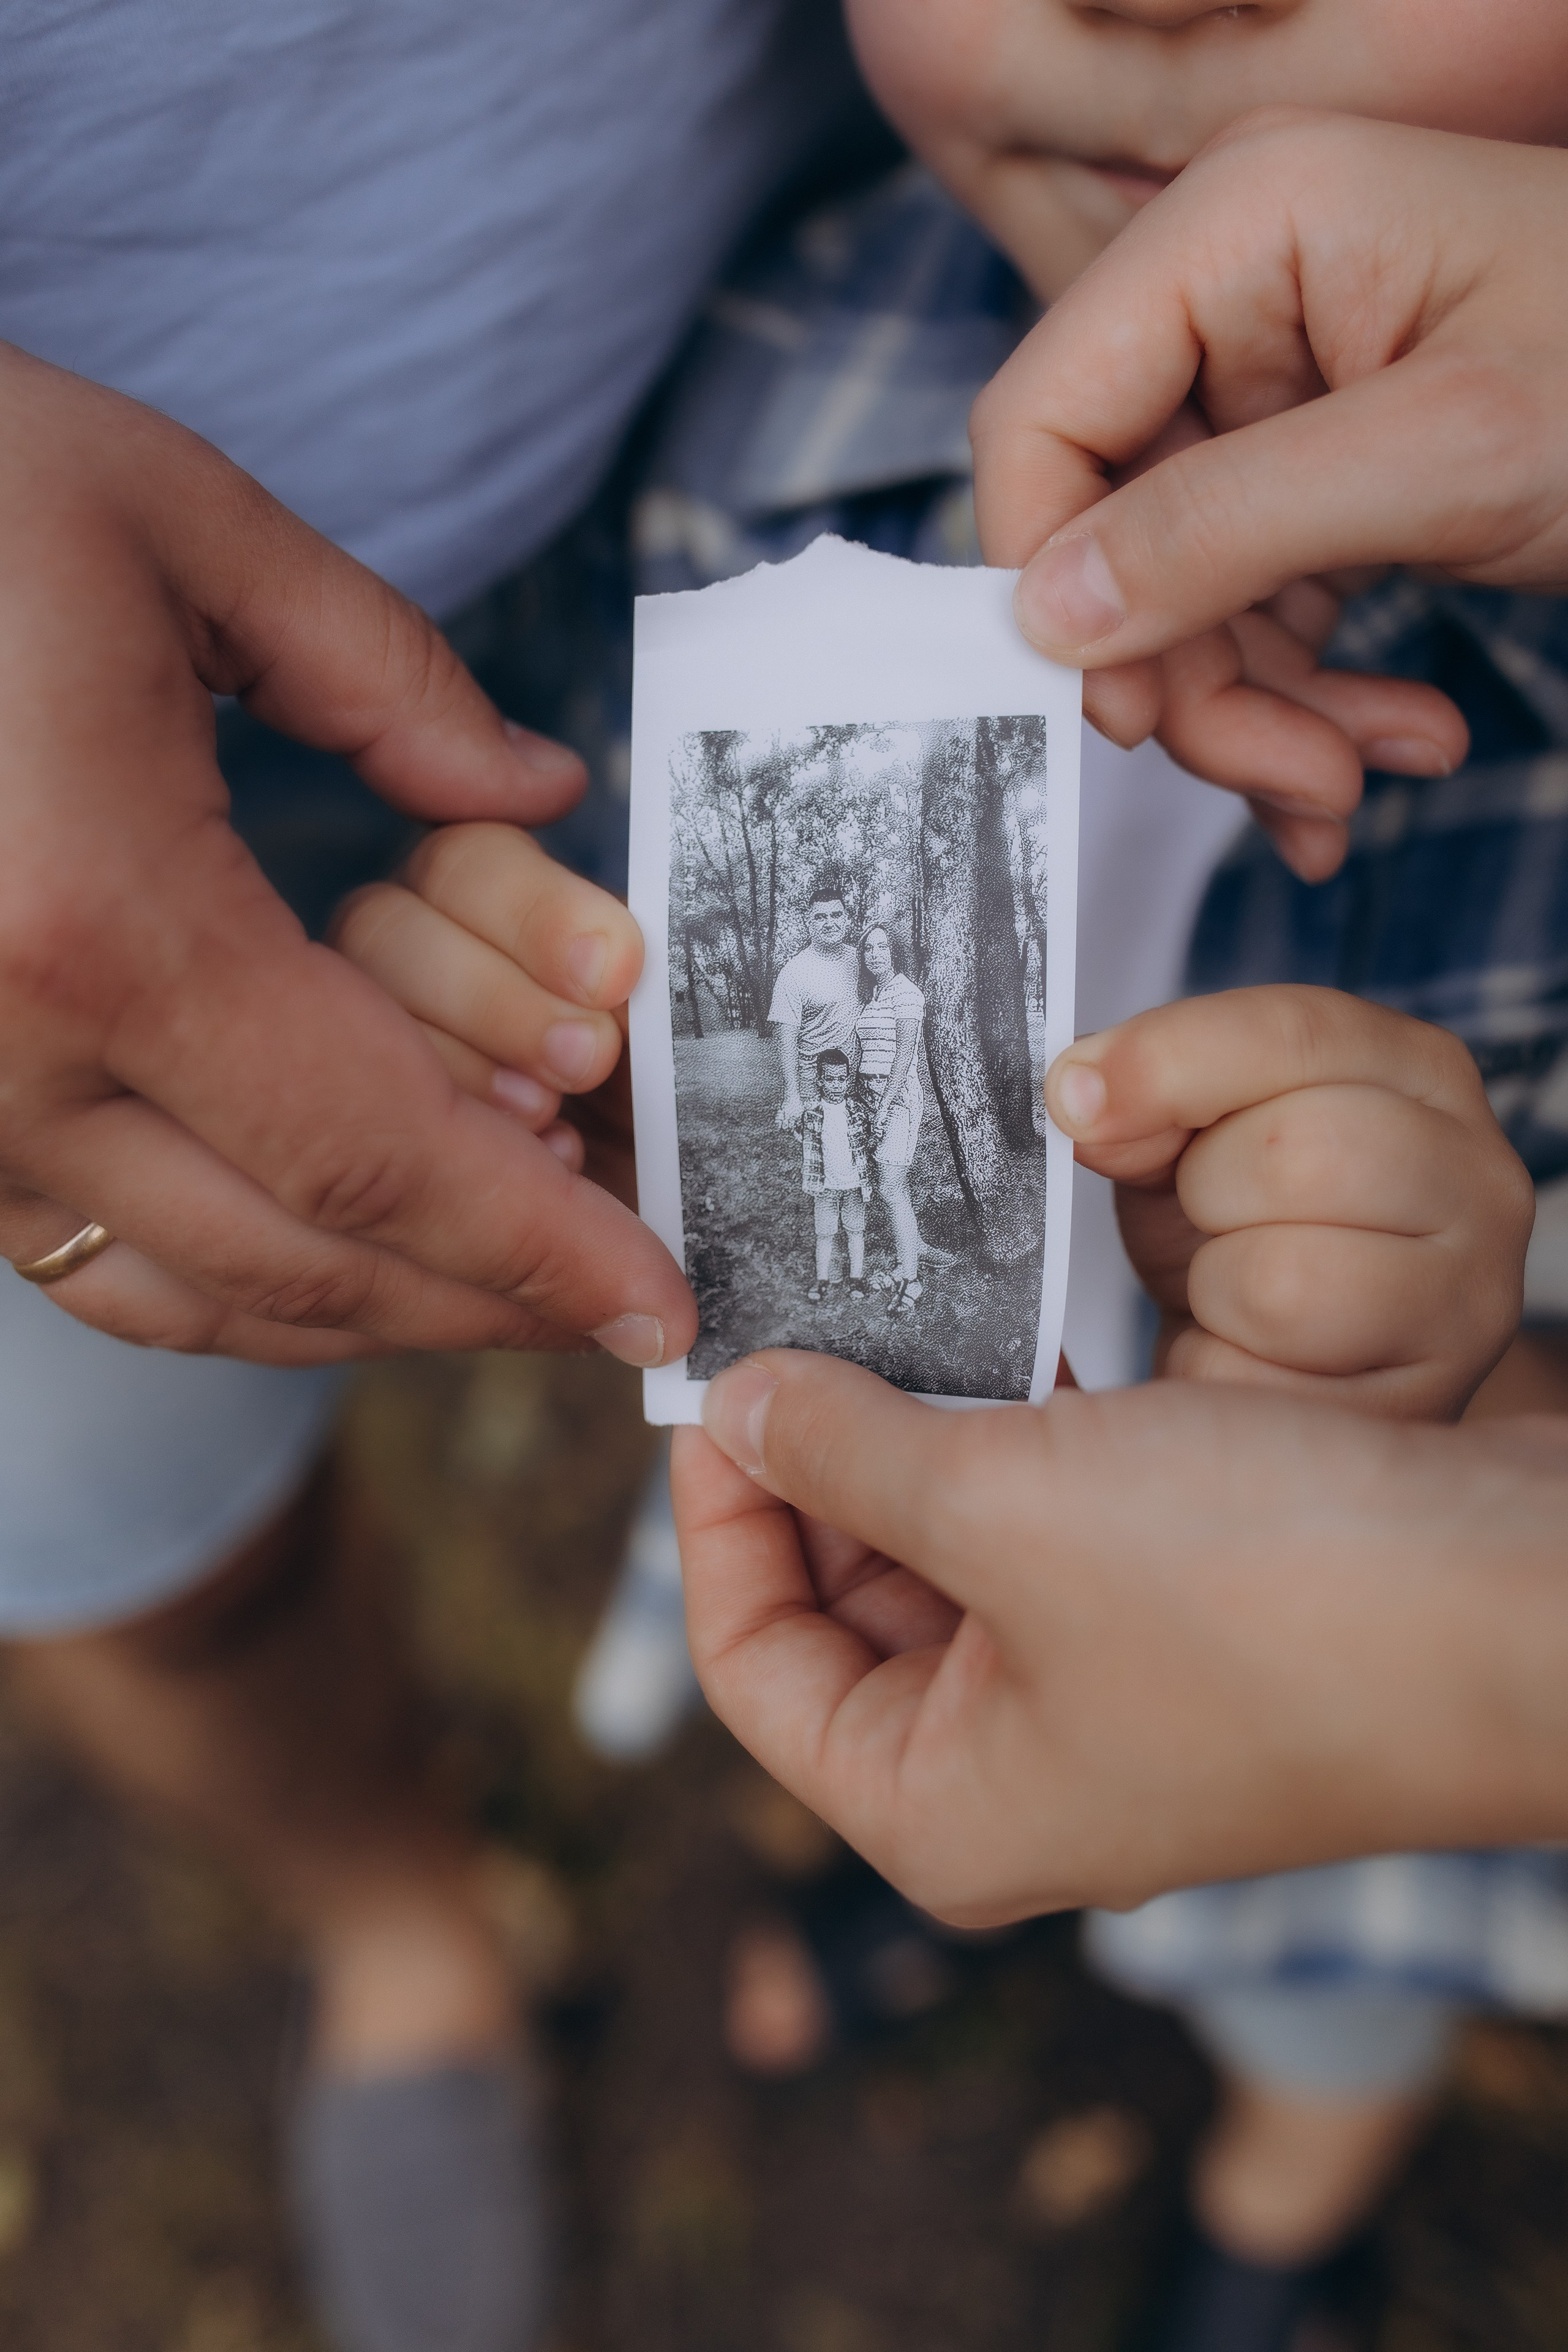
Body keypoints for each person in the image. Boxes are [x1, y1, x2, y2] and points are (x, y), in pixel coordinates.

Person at [0, 8, 877, 2348]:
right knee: (140, 1552)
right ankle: (394, 1920)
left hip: (812, 345)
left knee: (901, 1287)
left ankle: (893, 1715)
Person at [854, 925, 933, 1319]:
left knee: (891, 1188)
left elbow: (904, 1057)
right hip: (870, 1096)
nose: (875, 954)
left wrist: (884, 1107)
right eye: (868, 948)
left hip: (897, 1098)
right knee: (890, 1187)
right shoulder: (872, 995)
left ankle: (912, 1280)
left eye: (882, 946)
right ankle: (908, 1260)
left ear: (895, 951)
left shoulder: (907, 993)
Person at [769, 885, 863, 1129]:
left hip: (857, 1084)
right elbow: (787, 1042)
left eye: (836, 915)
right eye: (820, 917)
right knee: (823, 1151)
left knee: (858, 1150)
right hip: (815, 1087)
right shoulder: (793, 972)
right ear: (808, 922)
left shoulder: (862, 961)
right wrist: (792, 1097)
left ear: (847, 919)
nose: (830, 923)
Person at [794, 1048, 875, 1303]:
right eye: (830, 1079)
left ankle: (857, 1278)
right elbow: (803, 1137)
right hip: (826, 1185)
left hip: (854, 1184)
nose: (837, 1085)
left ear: (848, 1079)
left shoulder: (856, 1110)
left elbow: (868, 1140)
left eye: (842, 1079)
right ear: (820, 1080)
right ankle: (822, 1279)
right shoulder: (814, 1112)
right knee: (825, 1233)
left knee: (856, 1230)